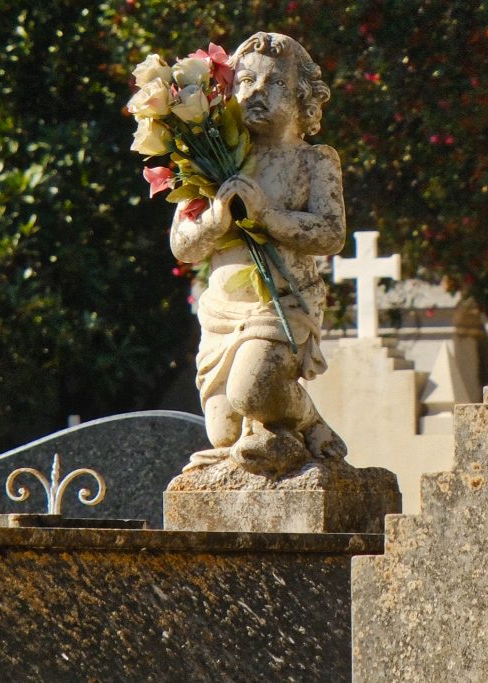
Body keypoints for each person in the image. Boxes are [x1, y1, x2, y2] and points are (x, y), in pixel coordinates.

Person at [170, 32, 346, 476]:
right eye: (245, 81)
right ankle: (281, 443)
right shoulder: (212, 159)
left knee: (252, 393)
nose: (255, 92)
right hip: (223, 312)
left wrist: (268, 215)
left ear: (304, 98)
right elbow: (182, 244)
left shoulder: (313, 161)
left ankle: (305, 419)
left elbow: (330, 233)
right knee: (223, 434)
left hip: (281, 303)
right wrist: (215, 220)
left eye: (274, 85)